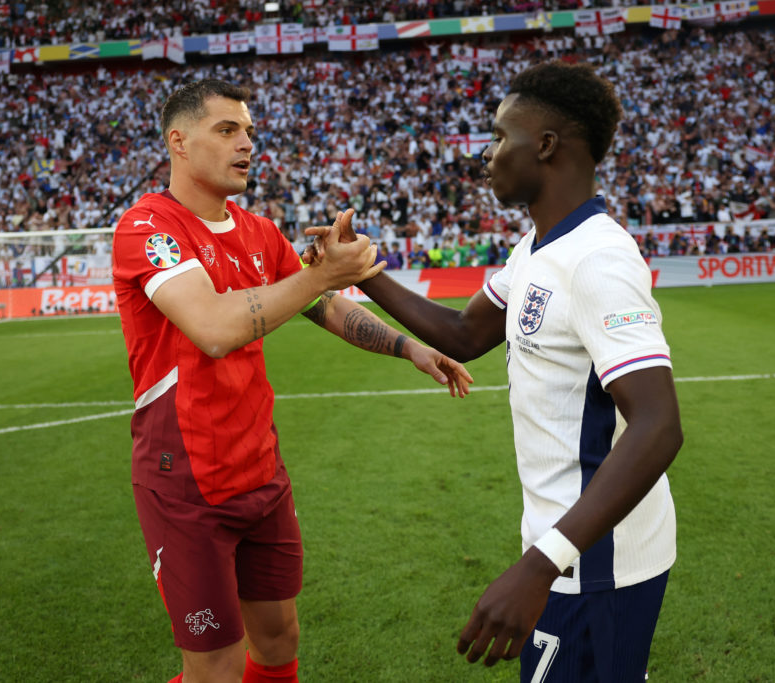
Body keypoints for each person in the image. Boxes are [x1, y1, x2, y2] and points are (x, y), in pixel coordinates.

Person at [306, 61, 682, 681]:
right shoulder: (537, 249)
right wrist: (363, 271)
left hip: (592, 564)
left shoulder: (598, 261)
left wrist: (541, 565)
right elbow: (464, 333)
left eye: (500, 137)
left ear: (546, 145)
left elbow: (659, 426)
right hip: (571, 549)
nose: (486, 153)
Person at [110, 78, 471, 683]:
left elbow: (326, 307)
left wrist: (409, 347)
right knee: (217, 669)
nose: (246, 144)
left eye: (249, 131)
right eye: (227, 130)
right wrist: (321, 275)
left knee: (278, 640)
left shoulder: (257, 231)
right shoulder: (149, 228)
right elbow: (216, 328)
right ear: (179, 140)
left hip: (261, 472)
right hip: (187, 486)